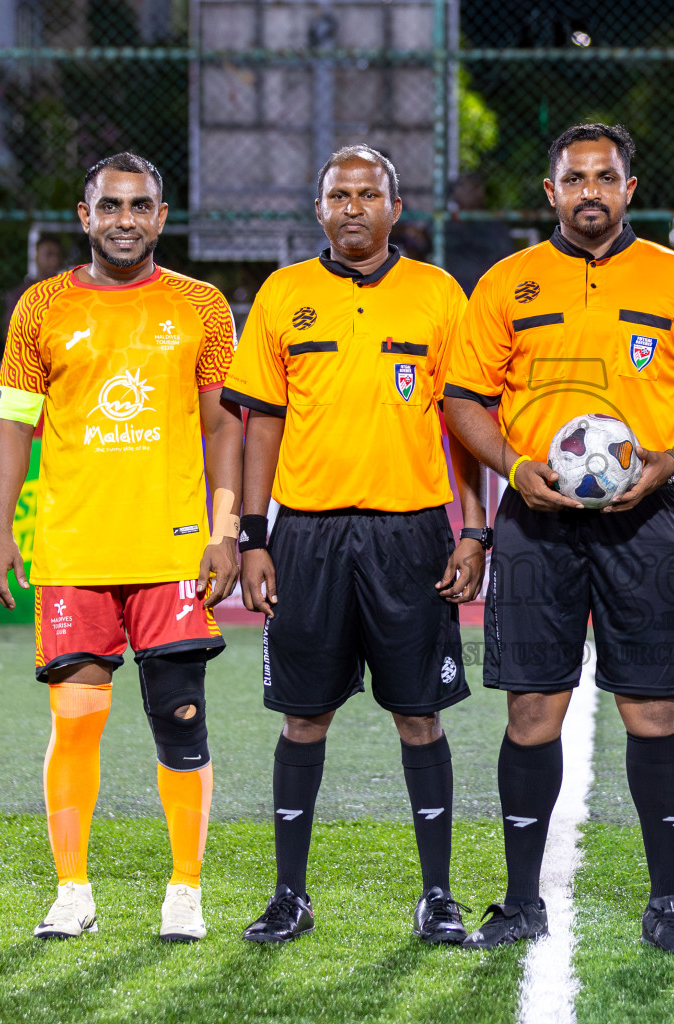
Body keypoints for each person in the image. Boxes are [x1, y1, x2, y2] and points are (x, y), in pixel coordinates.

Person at [442, 123, 674, 952]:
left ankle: (667, 903)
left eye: (604, 177)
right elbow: (463, 398)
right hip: (537, 524)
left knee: (651, 712)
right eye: (574, 179)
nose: (589, 192)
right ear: (550, 192)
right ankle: (519, 901)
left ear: (629, 188)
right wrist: (513, 460)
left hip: (646, 521)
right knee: (534, 710)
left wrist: (672, 461)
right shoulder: (507, 284)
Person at [222, 145, 486, 945]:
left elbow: (466, 425)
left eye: (368, 194)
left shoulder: (439, 296)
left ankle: (437, 895)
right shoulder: (283, 295)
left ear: (395, 209)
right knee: (304, 719)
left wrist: (474, 530)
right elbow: (258, 424)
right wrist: (253, 536)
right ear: (319, 209)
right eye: (338, 193)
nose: (352, 207)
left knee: (420, 718)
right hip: (305, 536)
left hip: (411, 534)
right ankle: (289, 896)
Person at [0, 151, 242, 942]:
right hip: (75, 553)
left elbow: (223, 425)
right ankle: (72, 892)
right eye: (110, 206)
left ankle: (185, 892)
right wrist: (0, 532)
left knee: (181, 718)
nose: (124, 219)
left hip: (170, 554)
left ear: (162, 218)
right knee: (75, 722)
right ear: (84, 215)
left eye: (140, 206)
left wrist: (226, 529)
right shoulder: (41, 308)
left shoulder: (201, 307)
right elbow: (14, 427)